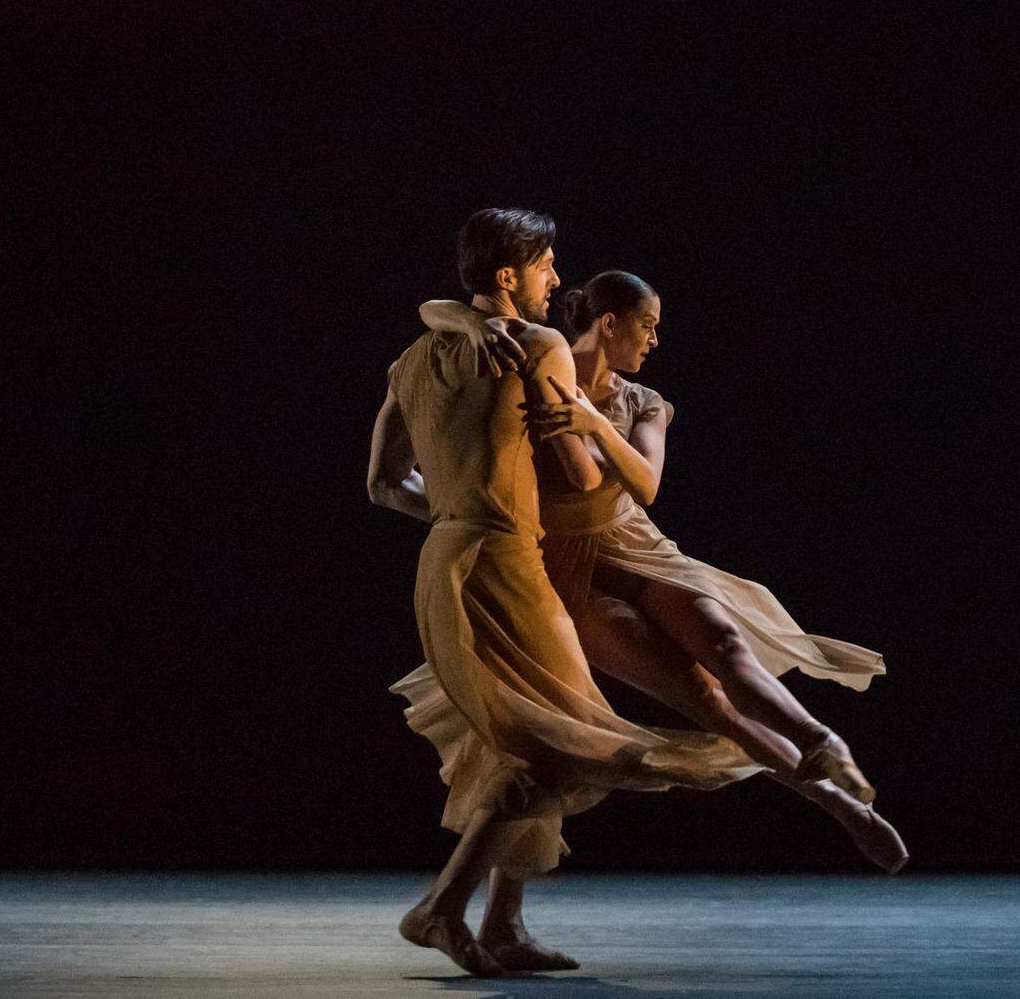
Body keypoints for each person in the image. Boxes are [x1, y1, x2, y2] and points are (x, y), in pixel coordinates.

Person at [368, 212, 761, 978]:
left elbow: (383, 484)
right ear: (509, 275)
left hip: (443, 559)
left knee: (518, 735)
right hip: (512, 562)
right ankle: (440, 909)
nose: (558, 281)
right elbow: (583, 478)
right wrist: (588, 442)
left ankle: (504, 922)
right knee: (566, 739)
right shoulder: (540, 346)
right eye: (547, 267)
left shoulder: (412, 359)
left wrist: (460, 508)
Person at [419, 269, 907, 874]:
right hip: (562, 570)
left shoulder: (642, 401)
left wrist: (593, 422)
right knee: (705, 701)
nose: (654, 340)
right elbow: (436, 309)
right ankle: (829, 799)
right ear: (609, 323)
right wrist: (473, 319)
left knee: (725, 643)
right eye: (646, 326)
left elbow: (646, 484)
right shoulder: (538, 357)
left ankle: (820, 740)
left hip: (633, 544)